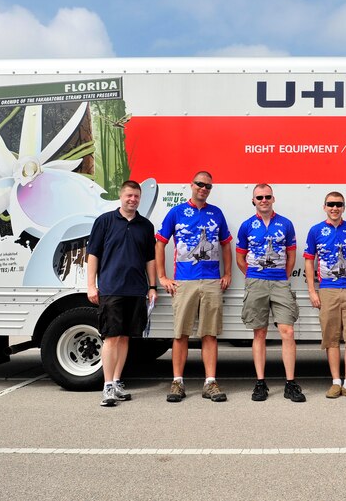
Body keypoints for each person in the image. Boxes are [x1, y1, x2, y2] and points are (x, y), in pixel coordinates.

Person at [156, 171, 232, 403]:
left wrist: (227, 273)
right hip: (184, 281)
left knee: (209, 334)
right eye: (200, 184)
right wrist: (162, 276)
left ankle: (210, 382)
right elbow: (160, 243)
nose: (203, 188)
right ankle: (177, 382)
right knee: (181, 334)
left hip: (211, 281)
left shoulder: (216, 213)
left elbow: (226, 245)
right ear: (191, 185)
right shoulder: (177, 212)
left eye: (208, 186)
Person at [86, 180, 157, 407]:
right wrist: (91, 285)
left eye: (136, 196)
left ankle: (117, 381)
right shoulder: (104, 221)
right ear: (121, 196)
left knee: (125, 337)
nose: (133, 200)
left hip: (136, 290)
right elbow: (93, 254)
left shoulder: (146, 226)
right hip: (111, 289)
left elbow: (150, 259)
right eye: (129, 195)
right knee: (112, 337)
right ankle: (107, 386)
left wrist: (152, 287)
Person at [236, 184, 304, 402]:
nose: (264, 200)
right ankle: (260, 383)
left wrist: (283, 276)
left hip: (280, 282)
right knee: (259, 333)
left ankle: (290, 383)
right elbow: (240, 257)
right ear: (253, 201)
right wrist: (253, 275)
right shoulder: (247, 225)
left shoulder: (285, 224)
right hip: (256, 281)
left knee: (288, 331)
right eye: (259, 197)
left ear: (273, 199)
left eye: (267, 196)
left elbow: (291, 254)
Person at [304, 192, 346, 400]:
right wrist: (312, 291)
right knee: (331, 337)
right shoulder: (316, 230)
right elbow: (309, 261)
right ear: (324, 206)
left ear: (344, 207)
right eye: (331, 204)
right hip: (327, 290)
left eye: (338, 204)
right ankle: (336, 382)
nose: (334, 208)